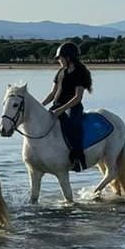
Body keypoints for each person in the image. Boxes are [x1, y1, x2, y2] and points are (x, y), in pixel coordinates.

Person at [41, 41, 92, 171]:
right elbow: (52, 93)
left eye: (60, 58)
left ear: (68, 57)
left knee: (71, 127)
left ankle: (77, 159)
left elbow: (78, 97)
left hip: (73, 108)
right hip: (57, 106)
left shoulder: (79, 72)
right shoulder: (60, 72)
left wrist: (61, 110)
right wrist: (41, 106)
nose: (58, 60)